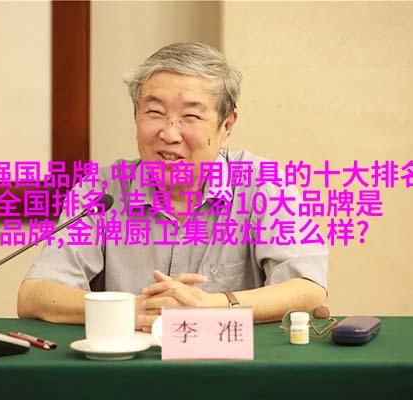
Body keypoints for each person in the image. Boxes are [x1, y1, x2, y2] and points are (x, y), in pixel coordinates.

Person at [18, 42, 327, 332]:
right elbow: (35, 295)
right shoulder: (101, 191)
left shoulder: (263, 183)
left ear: (226, 126)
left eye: (190, 116)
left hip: (231, 365)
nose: (169, 134)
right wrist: (132, 310)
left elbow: (308, 290)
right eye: (154, 113)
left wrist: (210, 306)